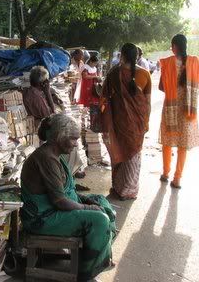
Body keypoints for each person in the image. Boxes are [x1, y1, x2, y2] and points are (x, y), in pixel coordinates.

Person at [20, 114, 117, 281]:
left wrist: (88, 201)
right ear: (60, 137)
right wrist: (87, 207)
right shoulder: (46, 158)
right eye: (73, 139)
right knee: (99, 220)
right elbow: (60, 200)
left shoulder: (55, 155)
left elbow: (65, 191)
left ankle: (98, 255)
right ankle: (86, 273)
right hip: (42, 218)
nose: (75, 144)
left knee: (102, 202)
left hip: (54, 209)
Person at [101, 43, 152, 200]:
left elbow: (103, 99)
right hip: (138, 123)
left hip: (118, 121)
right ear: (137, 56)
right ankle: (129, 190)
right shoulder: (145, 74)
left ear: (121, 55)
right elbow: (147, 102)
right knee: (133, 154)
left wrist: (105, 118)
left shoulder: (113, 74)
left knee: (118, 150)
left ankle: (118, 187)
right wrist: (145, 122)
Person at [158, 34, 199, 189]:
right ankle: (177, 178)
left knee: (167, 141)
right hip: (188, 109)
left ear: (174, 46)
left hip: (170, 108)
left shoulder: (167, 63)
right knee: (182, 145)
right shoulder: (195, 62)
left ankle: (166, 173)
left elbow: (161, 87)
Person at [78, 56, 102, 131]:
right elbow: (85, 76)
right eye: (94, 63)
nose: (95, 65)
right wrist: (95, 76)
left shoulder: (94, 68)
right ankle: (83, 120)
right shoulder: (85, 67)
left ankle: (89, 119)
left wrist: (98, 78)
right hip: (86, 87)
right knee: (86, 103)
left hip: (93, 87)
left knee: (92, 103)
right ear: (91, 62)